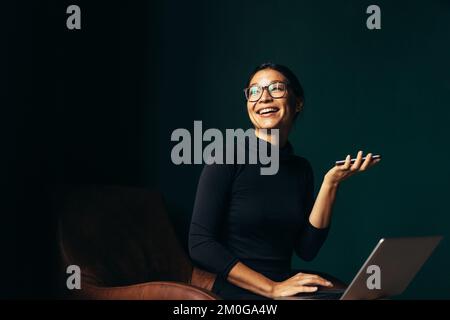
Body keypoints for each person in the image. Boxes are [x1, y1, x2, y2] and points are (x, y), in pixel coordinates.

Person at [188, 62, 380, 299]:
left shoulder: (301, 169)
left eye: (276, 88)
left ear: (297, 102)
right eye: (254, 91)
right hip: (236, 290)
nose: (264, 98)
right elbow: (200, 244)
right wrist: (271, 288)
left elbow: (307, 249)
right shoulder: (226, 159)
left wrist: (331, 183)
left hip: (284, 284)